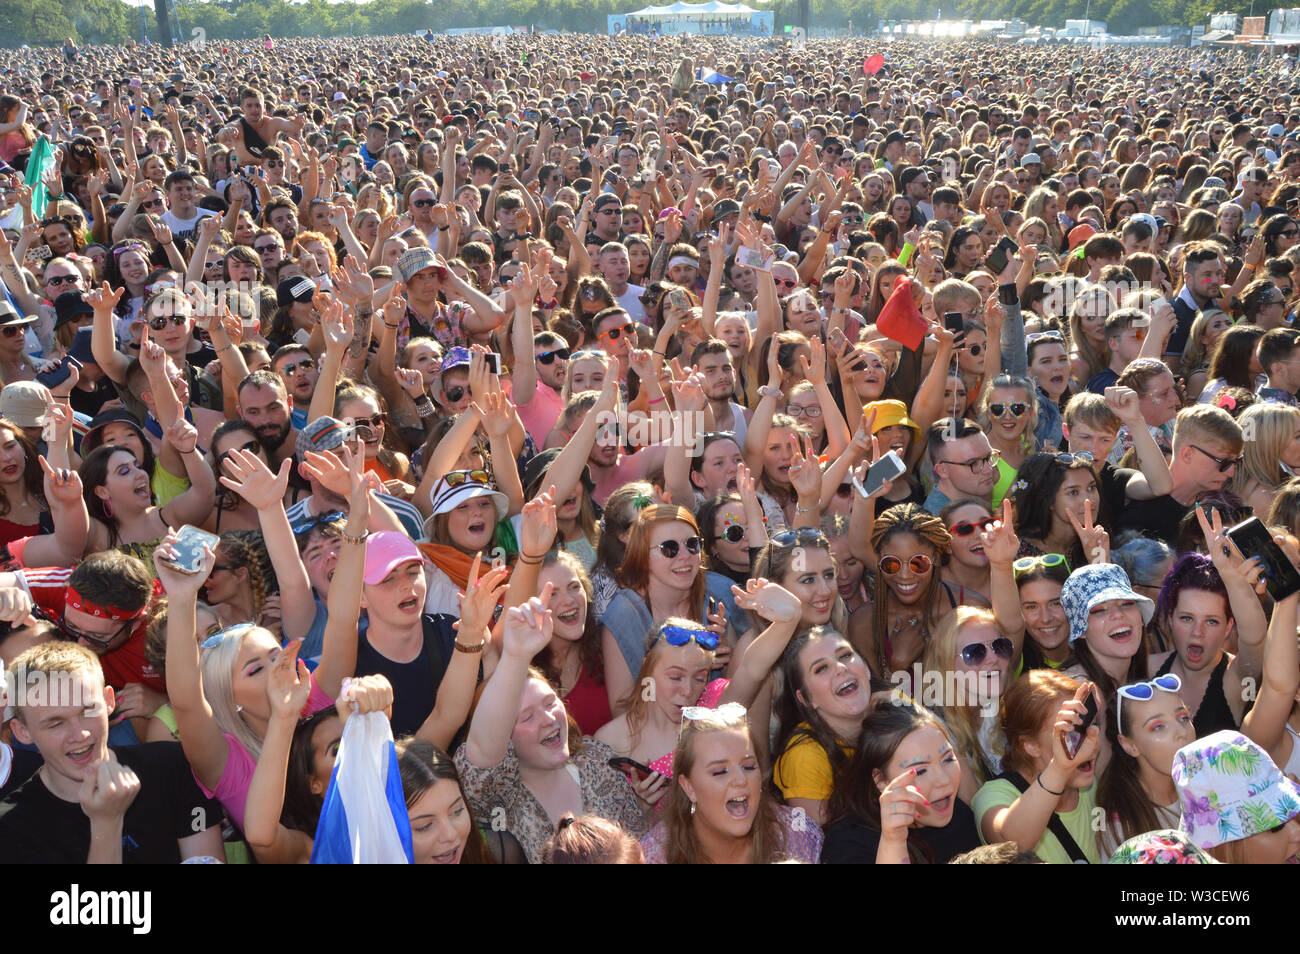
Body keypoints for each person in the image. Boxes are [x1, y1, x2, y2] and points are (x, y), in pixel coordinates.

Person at [455, 584, 647, 864]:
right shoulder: (498, 799)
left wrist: (646, 808)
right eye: (527, 717)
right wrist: (516, 655)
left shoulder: (599, 760)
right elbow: (480, 759)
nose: (547, 718)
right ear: (504, 740)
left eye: (549, 703)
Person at [0, 641, 224, 863]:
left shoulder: (170, 764)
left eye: (88, 710)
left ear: (108, 701)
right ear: (22, 732)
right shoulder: (12, 825)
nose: (80, 734)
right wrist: (106, 825)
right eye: (55, 724)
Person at [639, 702, 823, 863]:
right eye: (720, 771)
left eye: (749, 767)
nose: (741, 780)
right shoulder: (654, 856)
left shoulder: (797, 836)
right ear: (689, 787)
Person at [821, 702, 981, 864]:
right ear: (880, 780)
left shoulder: (959, 815)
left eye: (948, 759)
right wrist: (893, 840)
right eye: (920, 771)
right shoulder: (848, 843)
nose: (943, 780)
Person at [972, 670, 1103, 864]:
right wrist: (1059, 768)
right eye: (1070, 732)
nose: (1089, 742)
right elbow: (1014, 846)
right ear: (1030, 746)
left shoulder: (1090, 788)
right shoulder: (993, 796)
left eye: (1090, 725)